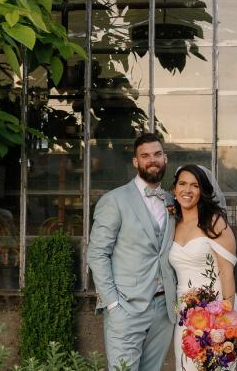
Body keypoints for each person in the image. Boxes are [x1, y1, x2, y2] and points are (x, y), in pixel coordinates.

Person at [88, 133, 178, 371]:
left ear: (165, 159)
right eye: (145, 155)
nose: (152, 160)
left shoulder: (172, 201)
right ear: (136, 162)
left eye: (157, 154)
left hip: (164, 310)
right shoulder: (114, 200)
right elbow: (97, 253)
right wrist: (113, 305)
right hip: (126, 308)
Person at [169, 164, 237, 371]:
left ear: (203, 191)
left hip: (215, 308)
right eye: (182, 184)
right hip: (183, 312)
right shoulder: (172, 223)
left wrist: (224, 323)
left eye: (194, 185)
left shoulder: (214, 222)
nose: (187, 190)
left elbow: (227, 272)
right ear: (174, 189)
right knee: (186, 364)